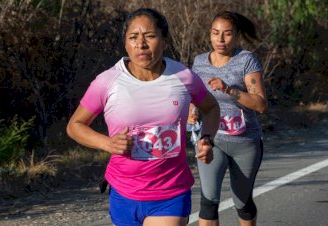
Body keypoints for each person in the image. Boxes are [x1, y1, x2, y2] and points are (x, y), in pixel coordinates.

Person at [66, 8, 220, 226]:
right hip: (123, 192)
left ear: (164, 40)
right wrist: (108, 143)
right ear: (125, 43)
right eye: (133, 37)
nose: (141, 44)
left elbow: (211, 108)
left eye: (149, 36)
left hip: (170, 192)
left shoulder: (183, 77)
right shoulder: (107, 81)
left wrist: (207, 138)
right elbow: (75, 126)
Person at [189, 10, 267, 226]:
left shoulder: (246, 60)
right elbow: (195, 96)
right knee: (208, 202)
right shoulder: (199, 62)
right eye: (215, 33)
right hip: (210, 141)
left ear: (237, 35)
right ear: (209, 34)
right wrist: (192, 110)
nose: (220, 39)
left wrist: (229, 90)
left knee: (242, 203)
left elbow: (260, 105)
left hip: (245, 143)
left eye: (227, 34)